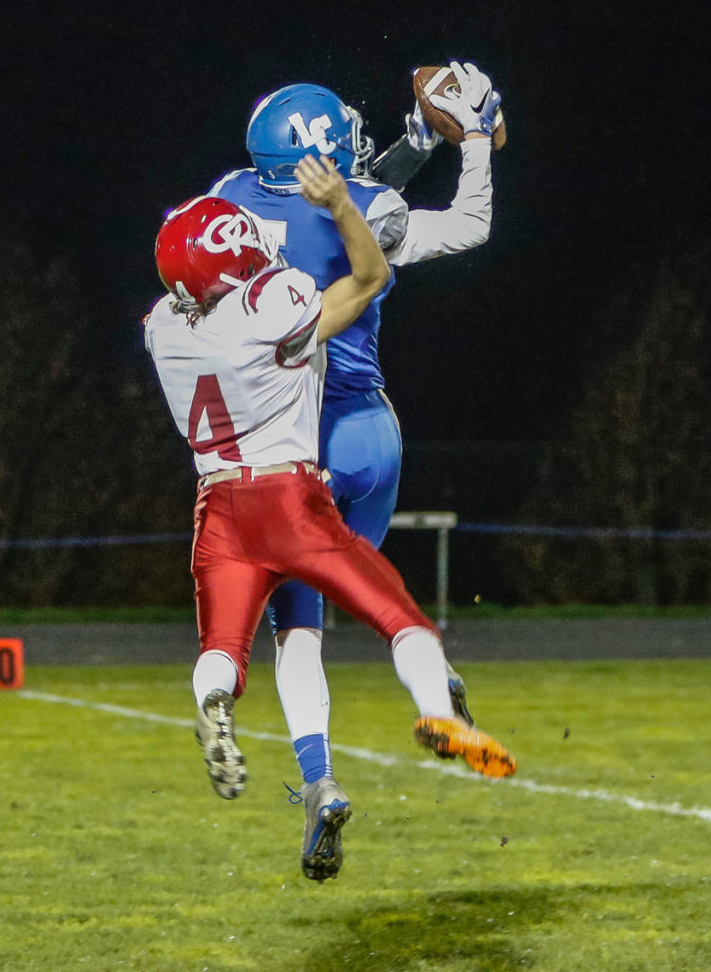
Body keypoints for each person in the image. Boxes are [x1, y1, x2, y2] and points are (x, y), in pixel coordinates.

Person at [145, 157, 516, 883]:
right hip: (292, 495)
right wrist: (344, 206)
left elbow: (199, 288)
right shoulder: (273, 302)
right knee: (399, 617)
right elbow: (370, 279)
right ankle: (437, 708)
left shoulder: (164, 327)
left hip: (218, 509)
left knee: (227, 643)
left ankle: (218, 705)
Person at [206, 61, 500, 811]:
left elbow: (335, 192)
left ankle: (318, 780)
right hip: (373, 433)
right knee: (376, 593)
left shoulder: (227, 202)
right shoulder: (370, 207)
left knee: (298, 623)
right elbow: (458, 223)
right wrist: (467, 137)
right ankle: (434, 690)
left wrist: (412, 144)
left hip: (293, 448)